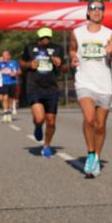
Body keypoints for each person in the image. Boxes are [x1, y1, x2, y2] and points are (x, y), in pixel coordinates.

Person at [69, 0, 112, 177]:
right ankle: (90, 153)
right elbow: (72, 50)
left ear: (103, 13)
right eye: (93, 8)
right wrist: (73, 58)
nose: (97, 11)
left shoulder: (109, 34)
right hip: (84, 82)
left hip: (104, 84)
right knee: (89, 119)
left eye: (100, 8)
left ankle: (97, 157)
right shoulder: (77, 32)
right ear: (88, 13)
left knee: (100, 126)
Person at [21, 27, 65, 158]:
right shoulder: (30, 47)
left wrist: (60, 64)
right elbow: (21, 63)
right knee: (40, 118)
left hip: (51, 88)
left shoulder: (57, 49)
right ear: (39, 37)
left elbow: (64, 68)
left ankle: (46, 145)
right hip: (34, 87)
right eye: (43, 37)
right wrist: (29, 65)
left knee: (51, 122)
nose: (46, 40)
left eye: (48, 37)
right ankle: (38, 126)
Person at [0, 50, 20, 123]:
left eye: (6, 55)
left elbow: (19, 71)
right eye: (3, 55)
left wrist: (15, 74)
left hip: (13, 83)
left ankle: (9, 114)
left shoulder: (14, 63)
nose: (5, 56)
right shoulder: (0, 64)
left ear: (9, 56)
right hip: (5, 83)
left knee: (10, 99)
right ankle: (5, 114)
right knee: (5, 98)